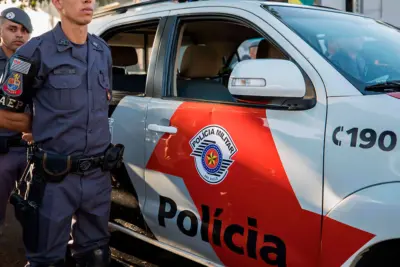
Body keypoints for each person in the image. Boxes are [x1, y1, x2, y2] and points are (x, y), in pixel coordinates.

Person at [0, 0, 124, 266]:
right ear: (58, 3)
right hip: (54, 179)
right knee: (47, 260)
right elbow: (5, 113)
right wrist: (46, 125)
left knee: (96, 256)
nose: (88, 1)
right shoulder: (32, 53)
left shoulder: (102, 50)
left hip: (97, 177)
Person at [0, 7, 33, 236]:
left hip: (31, 151)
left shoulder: (33, 63)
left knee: (35, 215)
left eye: (24, 30)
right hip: (1, 152)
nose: (19, 35)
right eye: (12, 29)